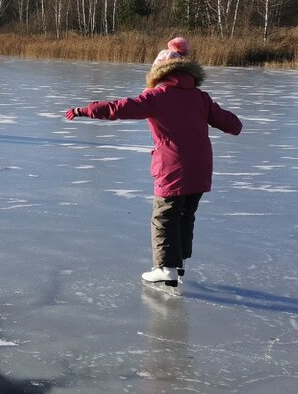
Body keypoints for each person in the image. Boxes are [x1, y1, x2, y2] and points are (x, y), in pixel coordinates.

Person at [64, 37, 242, 288]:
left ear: (159, 71)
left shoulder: (157, 96)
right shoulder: (200, 97)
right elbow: (232, 124)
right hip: (201, 167)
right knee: (185, 215)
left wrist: (83, 110)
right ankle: (179, 263)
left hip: (173, 166)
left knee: (164, 216)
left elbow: (118, 108)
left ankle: (166, 269)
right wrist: (234, 124)